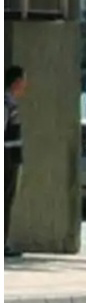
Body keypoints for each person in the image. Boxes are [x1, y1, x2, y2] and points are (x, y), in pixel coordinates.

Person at [5, 65, 26, 258]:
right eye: (23, 80)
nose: (25, 85)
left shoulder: (10, 103)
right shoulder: (6, 103)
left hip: (11, 158)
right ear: (16, 82)